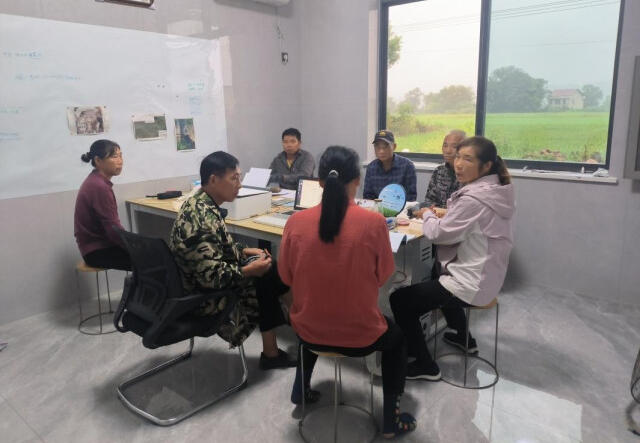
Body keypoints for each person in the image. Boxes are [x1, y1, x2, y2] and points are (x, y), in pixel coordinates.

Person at [278, 145, 417, 439]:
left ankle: (300, 390)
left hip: (308, 331)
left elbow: (285, 277)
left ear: (319, 182)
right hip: (361, 335)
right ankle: (392, 421)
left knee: (311, 315)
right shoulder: (374, 223)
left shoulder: (295, 223)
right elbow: (383, 276)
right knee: (397, 341)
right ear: (357, 181)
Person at [390, 137, 515, 380]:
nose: (458, 163)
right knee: (436, 273)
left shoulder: (473, 199)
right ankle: (464, 338)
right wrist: (448, 213)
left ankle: (425, 366)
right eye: (458, 156)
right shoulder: (496, 191)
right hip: (489, 277)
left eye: (467, 159)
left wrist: (427, 215)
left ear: (486, 165)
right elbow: (472, 220)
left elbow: (437, 234)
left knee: (400, 300)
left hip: (471, 283)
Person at [170, 151, 296, 369]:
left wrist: (244, 251)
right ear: (213, 180)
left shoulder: (199, 203)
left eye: (240, 177)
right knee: (267, 273)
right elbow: (211, 278)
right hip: (202, 298)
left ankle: (283, 336)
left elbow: (215, 248)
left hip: (193, 284)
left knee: (266, 266)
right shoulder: (203, 218)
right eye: (234, 178)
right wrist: (249, 270)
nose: (239, 184)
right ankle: (298, 321)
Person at [74, 139, 131, 271]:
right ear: (98, 161)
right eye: (114, 157)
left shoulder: (95, 181)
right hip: (96, 251)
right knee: (153, 260)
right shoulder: (99, 187)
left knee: (151, 255)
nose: (120, 161)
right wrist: (135, 247)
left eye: (121, 156)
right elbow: (113, 229)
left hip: (97, 247)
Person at [412, 129, 466, 218]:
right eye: (445, 145)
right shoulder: (439, 171)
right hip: (436, 218)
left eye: (454, 146)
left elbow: (464, 210)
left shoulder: (469, 175)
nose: (448, 151)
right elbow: (429, 201)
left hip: (458, 219)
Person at [363, 130, 417, 201]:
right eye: (378, 147)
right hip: (376, 206)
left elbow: (411, 198)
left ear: (394, 147)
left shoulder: (407, 166)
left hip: (401, 207)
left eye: (385, 147)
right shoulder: (371, 167)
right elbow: (367, 197)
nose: (381, 151)